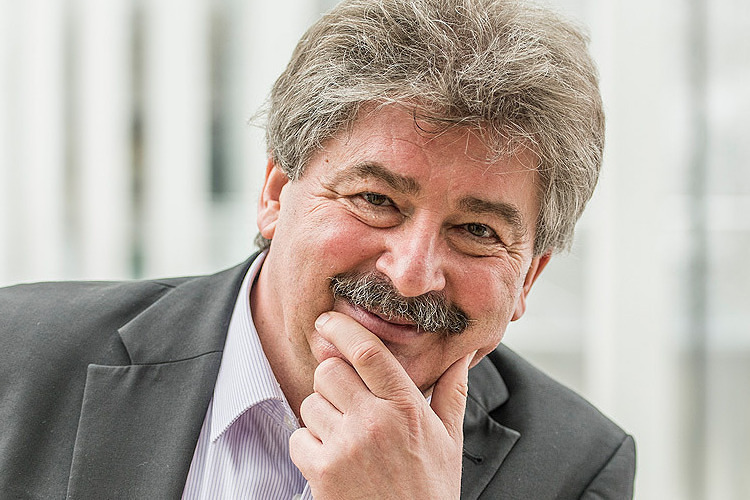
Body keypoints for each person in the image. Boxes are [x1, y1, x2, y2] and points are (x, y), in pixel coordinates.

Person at [0, 0, 636, 498]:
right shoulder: (18, 356)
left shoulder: (575, 470)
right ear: (276, 194)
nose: (411, 275)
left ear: (528, 278)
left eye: (477, 232)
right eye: (376, 199)